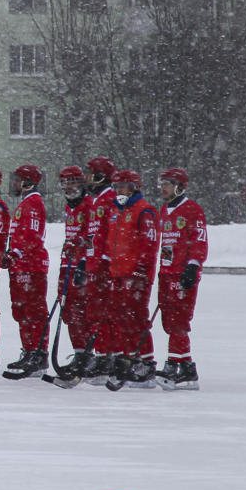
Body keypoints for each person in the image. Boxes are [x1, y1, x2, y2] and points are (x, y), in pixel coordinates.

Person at [104, 169, 160, 388]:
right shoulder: (117, 211)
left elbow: (149, 243)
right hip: (117, 272)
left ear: (134, 188)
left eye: (123, 187)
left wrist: (142, 269)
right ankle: (130, 359)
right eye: (116, 187)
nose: (119, 191)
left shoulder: (144, 210)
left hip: (135, 274)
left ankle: (146, 362)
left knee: (136, 318)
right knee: (121, 318)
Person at [155, 167, 206, 390]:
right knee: (168, 320)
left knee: (178, 320)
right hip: (166, 272)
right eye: (162, 183)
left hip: (182, 273)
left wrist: (192, 267)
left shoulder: (192, 209)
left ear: (180, 186)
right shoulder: (164, 210)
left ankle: (174, 363)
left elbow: (199, 240)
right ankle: (186, 368)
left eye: (167, 183)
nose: (163, 188)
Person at [3, 164, 51, 378]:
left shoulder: (33, 203)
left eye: (18, 179)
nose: (14, 183)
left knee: (34, 311)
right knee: (21, 311)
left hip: (31, 266)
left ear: (28, 182)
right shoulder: (25, 203)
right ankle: (29, 350)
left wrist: (16, 253)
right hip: (20, 266)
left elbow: (31, 235)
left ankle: (39, 354)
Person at [81, 156, 120, 382]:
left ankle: (108, 356)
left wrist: (103, 261)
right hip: (94, 265)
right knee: (95, 313)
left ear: (101, 176)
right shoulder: (97, 200)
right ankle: (102, 354)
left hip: (103, 267)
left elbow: (110, 235)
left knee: (105, 313)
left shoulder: (109, 200)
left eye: (89, 173)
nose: (86, 178)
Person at [57, 166, 93, 374]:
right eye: (65, 182)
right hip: (66, 264)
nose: (69, 187)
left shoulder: (89, 204)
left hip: (82, 265)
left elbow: (91, 234)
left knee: (81, 311)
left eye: (73, 182)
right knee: (68, 311)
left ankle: (88, 355)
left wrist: (79, 246)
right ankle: (79, 353)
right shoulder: (68, 207)